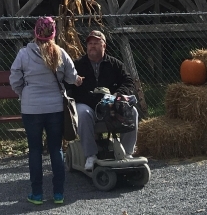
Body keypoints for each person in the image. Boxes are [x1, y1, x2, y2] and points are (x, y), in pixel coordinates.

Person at [9, 16, 83, 206]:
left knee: (34, 150)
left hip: (31, 108)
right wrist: (77, 81)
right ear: (53, 33)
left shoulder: (24, 54)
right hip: (55, 107)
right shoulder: (60, 53)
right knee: (56, 149)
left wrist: (23, 93)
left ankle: (37, 194)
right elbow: (71, 77)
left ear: (35, 32)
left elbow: (14, 79)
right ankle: (58, 193)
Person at [68, 30, 138, 171]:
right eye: (90, 43)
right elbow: (67, 85)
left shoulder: (115, 64)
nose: (92, 46)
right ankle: (90, 156)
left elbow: (128, 81)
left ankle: (127, 152)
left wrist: (118, 94)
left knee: (133, 111)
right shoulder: (77, 65)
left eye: (96, 43)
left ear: (104, 46)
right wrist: (80, 90)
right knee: (82, 113)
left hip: (111, 105)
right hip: (87, 104)